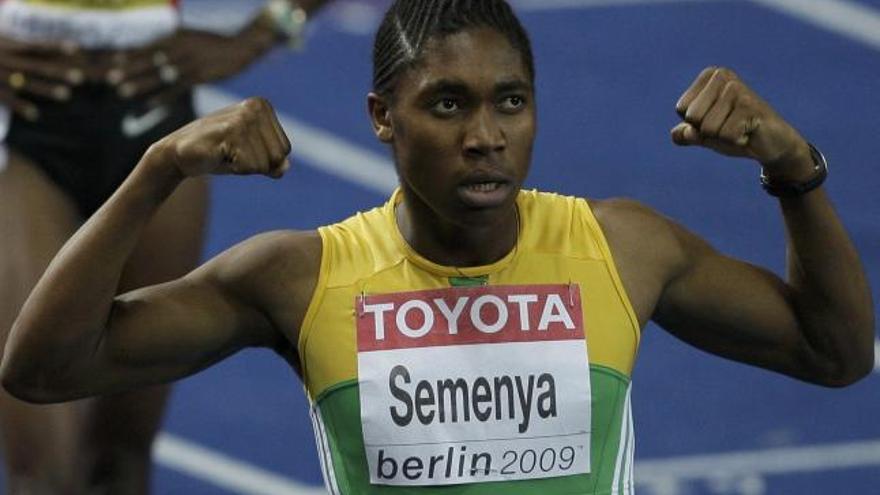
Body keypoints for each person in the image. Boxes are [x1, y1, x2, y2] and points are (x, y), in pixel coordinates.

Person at [1, 0, 875, 493]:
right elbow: (43, 370)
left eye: (510, 102)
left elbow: (835, 354)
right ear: (383, 119)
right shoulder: (301, 276)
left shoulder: (622, 248)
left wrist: (794, 168)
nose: (486, 135)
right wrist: (154, 172)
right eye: (448, 104)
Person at [0, 0, 334, 493]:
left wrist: (271, 26)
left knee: (121, 456)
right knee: (43, 469)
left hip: (156, 105)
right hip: (22, 124)